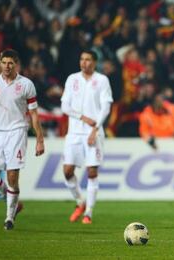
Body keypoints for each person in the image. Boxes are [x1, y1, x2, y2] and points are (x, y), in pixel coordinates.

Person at [0, 49, 45, 230]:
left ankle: (9, 218)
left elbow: (34, 114)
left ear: (16, 64)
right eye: (3, 62)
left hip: (17, 131)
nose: (7, 66)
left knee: (12, 174)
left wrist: (40, 139)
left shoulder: (26, 84)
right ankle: (13, 203)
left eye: (10, 63)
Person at [61, 50, 113, 224]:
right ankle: (79, 202)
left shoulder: (102, 80)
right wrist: (82, 118)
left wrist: (95, 128)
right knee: (67, 171)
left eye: (88, 60)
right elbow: (65, 106)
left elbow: (106, 107)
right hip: (74, 132)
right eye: (82, 59)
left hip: (93, 132)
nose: (84, 63)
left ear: (95, 62)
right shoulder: (72, 79)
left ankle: (88, 213)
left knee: (92, 171)